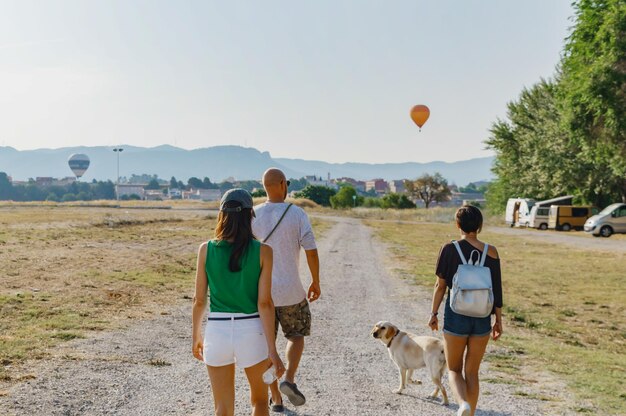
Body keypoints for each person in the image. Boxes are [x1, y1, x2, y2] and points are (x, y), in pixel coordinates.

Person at [192, 188, 285, 416]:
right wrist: (273, 350)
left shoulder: (206, 250)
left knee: (222, 409)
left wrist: (196, 336)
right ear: (249, 214)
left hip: (217, 330)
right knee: (260, 402)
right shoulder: (263, 251)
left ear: (222, 214)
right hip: (251, 331)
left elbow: (199, 300)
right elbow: (265, 303)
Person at [251, 168, 320, 412]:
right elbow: (311, 250)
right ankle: (289, 378)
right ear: (282, 184)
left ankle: (276, 399)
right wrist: (315, 281)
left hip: (262, 294)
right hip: (291, 291)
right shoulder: (297, 213)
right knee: (296, 335)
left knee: (265, 346)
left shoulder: (254, 214)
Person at [428, 205, 503, 416]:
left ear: (457, 224)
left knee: (453, 369)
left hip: (456, 315)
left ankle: (463, 405)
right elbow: (496, 288)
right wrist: (498, 320)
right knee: (472, 372)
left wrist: (433, 314)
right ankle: (470, 412)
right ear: (479, 225)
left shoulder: (449, 249)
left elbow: (440, 286)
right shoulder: (492, 251)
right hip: (482, 317)